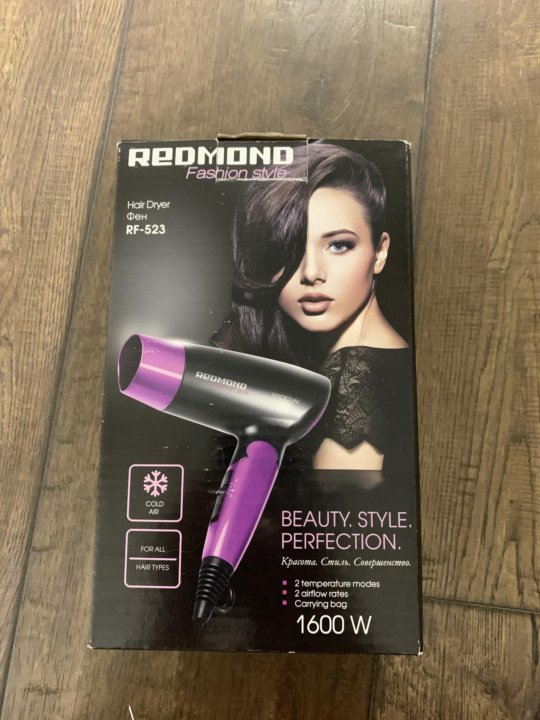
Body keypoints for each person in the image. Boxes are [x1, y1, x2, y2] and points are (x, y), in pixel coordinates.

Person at [213, 142, 414, 471]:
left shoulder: (355, 381)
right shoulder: (391, 361)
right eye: (288, 249)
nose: (311, 273)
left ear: (379, 252)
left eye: (338, 245)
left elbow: (343, 499)